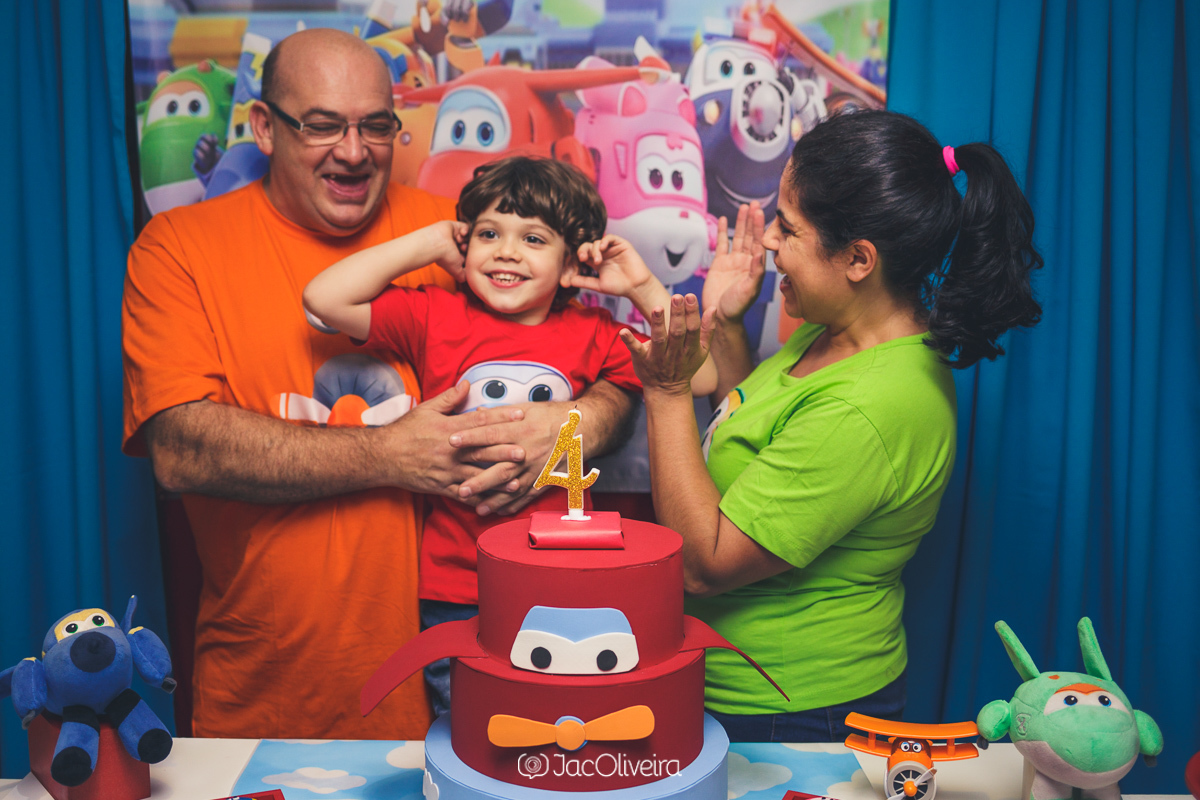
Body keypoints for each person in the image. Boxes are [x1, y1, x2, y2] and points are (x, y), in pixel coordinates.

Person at [121, 29, 636, 740]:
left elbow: (600, 361)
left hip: (468, 662)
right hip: (274, 687)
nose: (355, 151)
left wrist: (571, 424)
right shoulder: (179, 248)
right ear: (264, 128)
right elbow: (181, 449)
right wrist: (389, 455)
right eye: (324, 125)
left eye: (376, 126)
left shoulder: (468, 234)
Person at [622, 110, 1043, 742]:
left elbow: (703, 565)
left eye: (787, 228)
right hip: (745, 688)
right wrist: (731, 326)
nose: (768, 242)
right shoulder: (835, 334)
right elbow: (759, 437)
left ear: (857, 259)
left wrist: (666, 390)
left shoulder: (871, 405)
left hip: (789, 709)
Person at [304, 155, 716, 714]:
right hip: (453, 583)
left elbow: (701, 376)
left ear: (572, 260)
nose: (505, 251)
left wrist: (639, 284)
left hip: (563, 581)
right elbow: (325, 299)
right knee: (473, 727)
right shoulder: (436, 316)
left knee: (557, 723)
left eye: (534, 239)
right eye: (489, 233)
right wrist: (429, 243)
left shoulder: (593, 332)